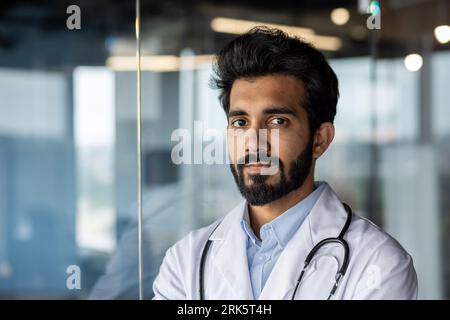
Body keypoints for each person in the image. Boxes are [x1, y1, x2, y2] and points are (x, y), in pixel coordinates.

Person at [152, 26, 418, 300]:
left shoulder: (378, 264)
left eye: (277, 121)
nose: (254, 142)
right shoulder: (186, 261)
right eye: (240, 122)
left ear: (320, 139)